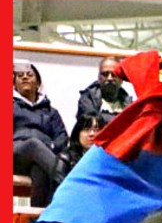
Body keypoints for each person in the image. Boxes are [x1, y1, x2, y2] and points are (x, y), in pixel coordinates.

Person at [13, 61, 68, 207]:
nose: (25, 77)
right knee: (33, 144)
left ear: (38, 83)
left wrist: (50, 147)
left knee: (40, 171)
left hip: (41, 157)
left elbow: (61, 137)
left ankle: (36, 221)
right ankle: (69, 185)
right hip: (15, 155)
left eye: (29, 75)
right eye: (20, 76)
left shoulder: (51, 112)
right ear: (14, 85)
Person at [76, 56, 132, 127]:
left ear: (122, 78)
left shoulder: (128, 102)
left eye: (114, 74)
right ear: (99, 77)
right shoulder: (87, 99)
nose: (109, 78)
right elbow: (93, 124)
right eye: (105, 74)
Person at [52, 114, 103, 187]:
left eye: (96, 130)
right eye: (86, 130)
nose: (92, 134)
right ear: (78, 133)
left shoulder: (109, 158)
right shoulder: (66, 158)